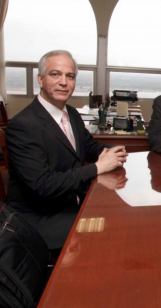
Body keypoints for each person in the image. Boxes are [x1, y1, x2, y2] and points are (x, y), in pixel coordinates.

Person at [6, 50, 128, 250]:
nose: (64, 82)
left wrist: (113, 150)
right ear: (40, 79)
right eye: (55, 74)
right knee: (108, 237)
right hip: (40, 217)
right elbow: (43, 185)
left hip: (72, 202)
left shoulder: (71, 113)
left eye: (70, 76)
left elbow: (88, 147)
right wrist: (97, 168)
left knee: (121, 219)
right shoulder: (23, 126)